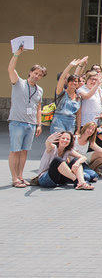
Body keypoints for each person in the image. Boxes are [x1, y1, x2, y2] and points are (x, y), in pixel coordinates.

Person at [7, 45, 46, 188]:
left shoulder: (39, 90)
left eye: (40, 75)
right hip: (17, 122)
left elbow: (38, 107)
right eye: (35, 73)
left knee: (24, 152)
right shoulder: (18, 83)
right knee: (15, 151)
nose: (37, 76)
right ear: (30, 73)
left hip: (31, 124)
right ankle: (14, 178)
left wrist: (39, 124)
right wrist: (17, 54)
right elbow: (11, 69)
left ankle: (21, 176)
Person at [50, 59, 83, 134]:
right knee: (57, 143)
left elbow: (78, 114)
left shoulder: (78, 97)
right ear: (67, 82)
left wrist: (78, 129)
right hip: (59, 121)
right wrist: (70, 66)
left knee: (67, 144)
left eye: (76, 81)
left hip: (71, 123)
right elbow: (62, 78)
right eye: (71, 81)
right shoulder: (61, 92)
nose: (74, 83)